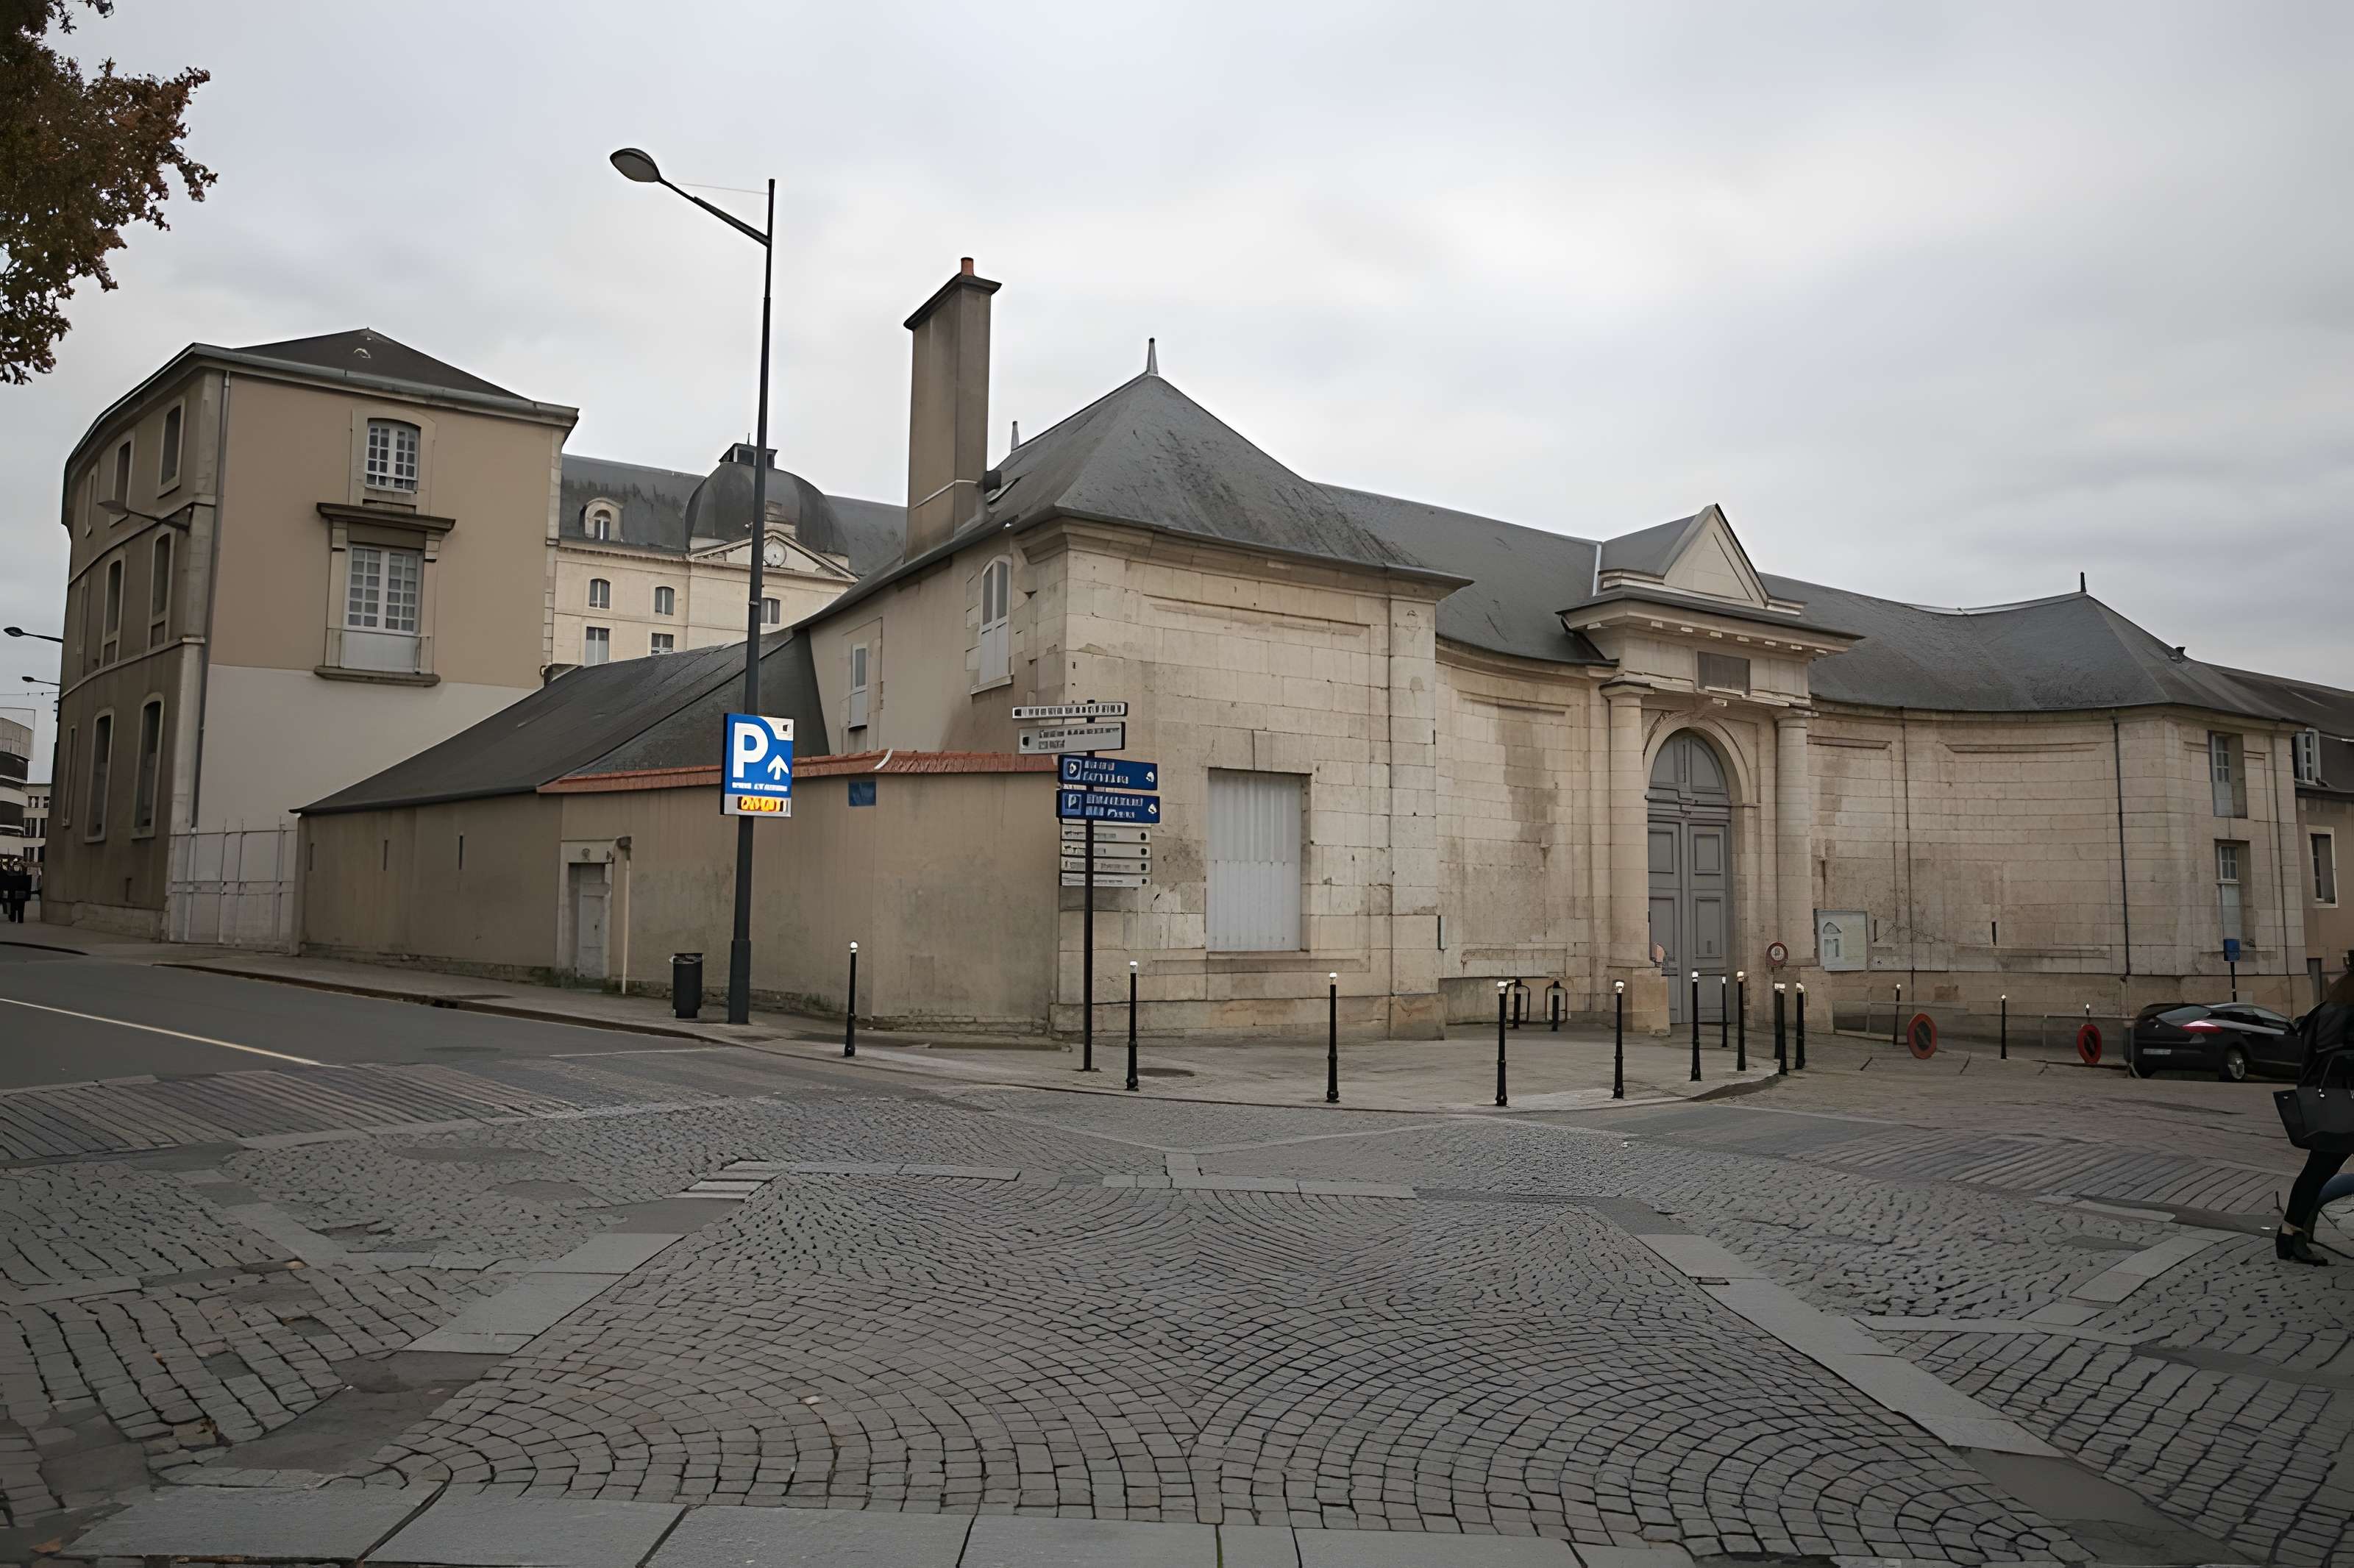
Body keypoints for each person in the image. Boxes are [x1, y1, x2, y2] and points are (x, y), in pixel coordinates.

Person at [2279, 970, 2354, 1264]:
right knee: (2319, 1169)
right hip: (2339, 1104)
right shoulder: (2343, 1014)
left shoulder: (2326, 1010)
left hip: (2331, 1101)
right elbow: (2337, 1056)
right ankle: (2291, 1232)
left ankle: (2291, 1232)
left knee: (2318, 1170)